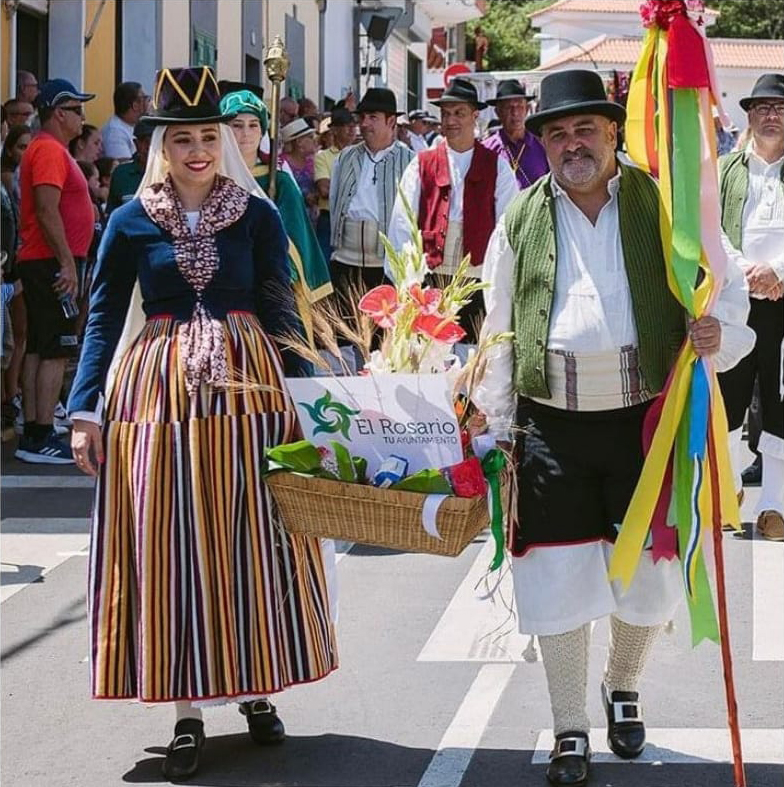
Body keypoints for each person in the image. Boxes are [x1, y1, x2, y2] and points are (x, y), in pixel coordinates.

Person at [473, 70, 754, 787]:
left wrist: (717, 331)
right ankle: (569, 725)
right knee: (556, 575)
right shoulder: (521, 217)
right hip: (550, 423)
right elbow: (497, 323)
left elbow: (724, 283)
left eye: (585, 129)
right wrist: (495, 423)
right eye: (557, 134)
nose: (572, 144)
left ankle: (622, 685)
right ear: (542, 143)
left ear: (611, 133)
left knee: (650, 574)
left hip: (645, 421)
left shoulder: (665, 205)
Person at [67, 66, 337, 782]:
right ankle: (186, 710)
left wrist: (310, 402)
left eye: (207, 138)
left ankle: (255, 686)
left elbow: (281, 311)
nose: (196, 151)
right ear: (160, 145)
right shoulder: (130, 220)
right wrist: (85, 410)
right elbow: (103, 318)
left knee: (250, 542)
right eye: (181, 139)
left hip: (248, 390)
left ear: (224, 141)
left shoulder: (258, 216)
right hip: (156, 395)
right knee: (171, 544)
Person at [387, 77, 517, 343]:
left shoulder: (497, 166)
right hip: (431, 280)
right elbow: (402, 222)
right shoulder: (421, 163)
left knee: (474, 352)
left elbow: (507, 226)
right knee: (430, 351)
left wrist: (500, 282)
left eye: (459, 113)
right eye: (446, 114)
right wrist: (408, 280)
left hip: (478, 280)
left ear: (475, 116)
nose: (451, 120)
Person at [15, 78, 96, 464]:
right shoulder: (48, 149)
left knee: (40, 346)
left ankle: (35, 431)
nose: (82, 116)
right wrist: (66, 262)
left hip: (45, 259)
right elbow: (47, 210)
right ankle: (41, 433)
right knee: (55, 349)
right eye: (76, 109)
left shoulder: (49, 149)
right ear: (58, 113)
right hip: (50, 261)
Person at [718, 72, 784, 541]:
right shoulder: (726, 170)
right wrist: (743, 270)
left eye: (779, 108)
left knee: (780, 401)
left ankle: (775, 504)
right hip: (735, 301)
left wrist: (778, 270)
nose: (771, 115)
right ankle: (728, 490)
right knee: (728, 397)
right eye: (762, 107)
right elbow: (711, 229)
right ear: (749, 116)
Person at [219, 87, 333, 343]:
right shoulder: (209, 180)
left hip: (268, 290)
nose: (245, 134)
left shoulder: (279, 182)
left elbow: (295, 241)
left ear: (262, 131)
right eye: (237, 125)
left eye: (253, 125)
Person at [329, 88, 413, 306]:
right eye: (362, 117)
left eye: (373, 117)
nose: (364, 124)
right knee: (345, 321)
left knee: (384, 326)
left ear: (391, 121)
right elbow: (334, 199)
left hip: (387, 265)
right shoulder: (345, 157)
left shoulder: (410, 161)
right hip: (345, 261)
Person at [483, 79, 549, 191]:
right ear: (498, 112)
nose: (515, 113)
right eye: (508, 108)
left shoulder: (542, 146)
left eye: (519, 106)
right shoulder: (486, 149)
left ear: (527, 109)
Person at [314, 106, 356, 265]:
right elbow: (324, 190)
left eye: (353, 126)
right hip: (329, 219)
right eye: (347, 126)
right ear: (335, 130)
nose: (352, 130)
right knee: (325, 263)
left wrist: (337, 184)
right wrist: (353, 186)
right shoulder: (323, 157)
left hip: (352, 220)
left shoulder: (361, 155)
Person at [105, 120, 154, 214]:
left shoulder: (172, 172)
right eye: (145, 141)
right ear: (136, 143)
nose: (148, 147)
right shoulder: (121, 174)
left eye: (154, 142)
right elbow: (112, 214)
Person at [281, 118, 319, 221]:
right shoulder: (281, 163)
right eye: (310, 137)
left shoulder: (313, 161)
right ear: (299, 142)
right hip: (290, 216)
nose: (315, 140)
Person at [101, 81, 148, 160]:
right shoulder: (115, 133)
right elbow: (123, 164)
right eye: (144, 98)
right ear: (135, 105)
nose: (147, 102)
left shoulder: (132, 125)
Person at [1, 124, 31, 202]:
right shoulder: (8, 177)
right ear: (9, 151)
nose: (28, 152)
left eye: (31, 147)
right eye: (22, 148)